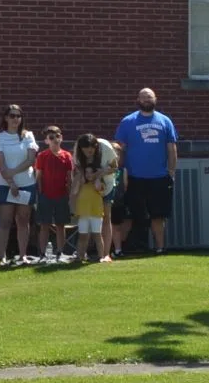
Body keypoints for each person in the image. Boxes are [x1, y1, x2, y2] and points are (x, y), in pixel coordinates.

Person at [112, 88, 179, 256]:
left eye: (149, 97)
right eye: (143, 97)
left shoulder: (165, 121)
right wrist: (119, 174)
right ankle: (119, 250)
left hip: (159, 177)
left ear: (155, 99)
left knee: (158, 216)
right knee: (129, 216)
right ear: (138, 100)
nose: (146, 100)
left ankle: (160, 248)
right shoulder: (128, 121)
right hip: (133, 177)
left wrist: (171, 172)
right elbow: (120, 149)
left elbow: (171, 149)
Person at [0, 105, 38, 267]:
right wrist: (10, 182)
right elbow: (0, 163)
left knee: (23, 220)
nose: (15, 119)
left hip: (26, 183)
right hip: (4, 184)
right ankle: (2, 257)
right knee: (5, 221)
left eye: (18, 116)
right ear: (5, 118)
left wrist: (13, 172)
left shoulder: (28, 136)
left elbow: (31, 160)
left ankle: (22, 255)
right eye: (12, 116)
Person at [32, 126, 76, 264]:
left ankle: (60, 252)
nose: (55, 140)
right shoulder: (42, 156)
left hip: (62, 195)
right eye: (51, 137)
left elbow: (70, 177)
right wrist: (40, 194)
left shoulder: (67, 156)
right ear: (46, 141)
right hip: (46, 195)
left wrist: (70, 195)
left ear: (61, 138)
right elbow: (38, 176)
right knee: (44, 224)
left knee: (60, 225)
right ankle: (43, 253)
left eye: (57, 136)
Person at [72, 133, 114, 264]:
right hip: (85, 201)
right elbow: (75, 184)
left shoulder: (106, 148)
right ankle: (81, 255)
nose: (89, 151)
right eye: (85, 148)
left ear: (96, 147)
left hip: (105, 185)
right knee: (83, 234)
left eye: (91, 148)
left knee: (106, 219)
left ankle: (105, 254)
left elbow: (115, 166)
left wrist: (98, 174)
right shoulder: (77, 154)